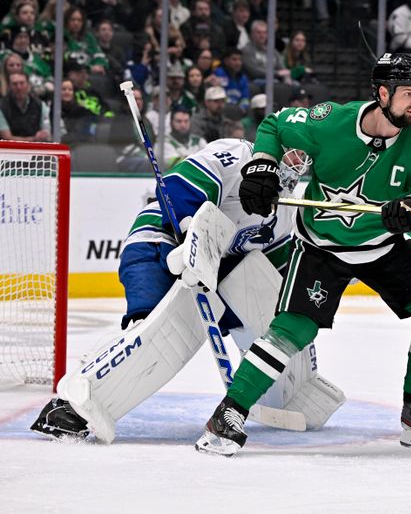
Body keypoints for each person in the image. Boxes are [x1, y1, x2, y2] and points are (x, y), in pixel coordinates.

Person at [196, 53, 411, 455]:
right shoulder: (331, 122)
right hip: (321, 246)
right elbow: (274, 125)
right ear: (382, 93)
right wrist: (262, 166)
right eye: (408, 93)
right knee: (292, 330)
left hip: (383, 245)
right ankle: (229, 412)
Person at [30, 139, 338, 443]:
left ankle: (280, 390)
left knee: (197, 327)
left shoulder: (284, 212)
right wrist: (190, 232)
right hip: (157, 243)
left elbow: (269, 279)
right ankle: (69, 405)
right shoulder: (238, 153)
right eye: (291, 152)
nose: (295, 163)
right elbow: (180, 186)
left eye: (302, 157)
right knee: (154, 331)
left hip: (212, 273)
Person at [0, 71, 50, 141]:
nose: (19, 87)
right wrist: (33, 139)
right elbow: (7, 137)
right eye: (14, 84)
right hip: (9, 149)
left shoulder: (40, 105)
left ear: (29, 85)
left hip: (35, 149)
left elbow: (46, 130)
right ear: (9, 87)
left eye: (22, 83)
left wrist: (44, 134)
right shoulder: (2, 107)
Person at [163, 105, 208, 169]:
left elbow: (209, 162)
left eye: (186, 121)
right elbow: (178, 166)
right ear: (171, 123)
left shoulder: (199, 141)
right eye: (179, 121)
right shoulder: (163, 144)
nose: (183, 125)